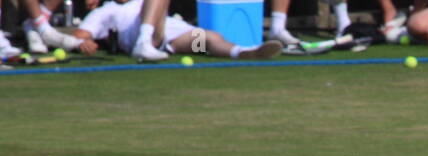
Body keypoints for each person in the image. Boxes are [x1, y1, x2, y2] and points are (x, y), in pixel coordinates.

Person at [71, 0, 281, 60]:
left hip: (172, 42)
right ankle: (144, 43)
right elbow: (81, 35)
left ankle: (243, 52)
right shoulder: (108, 9)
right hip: (152, 39)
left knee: (208, 37)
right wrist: (84, 43)